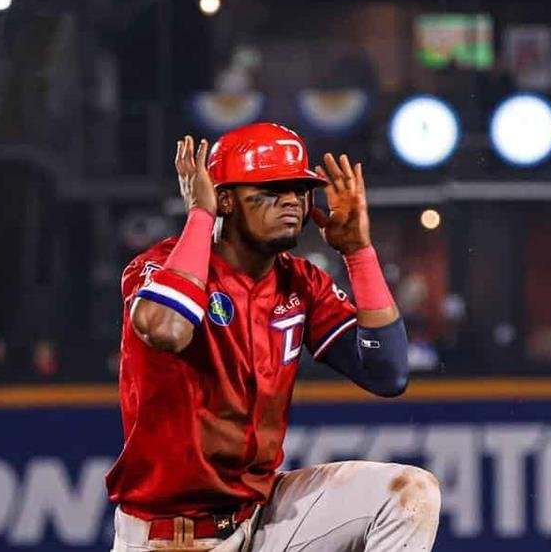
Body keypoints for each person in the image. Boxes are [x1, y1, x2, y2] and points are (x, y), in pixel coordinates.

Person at [109, 123, 440, 552]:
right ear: (224, 199)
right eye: (269, 191)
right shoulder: (158, 268)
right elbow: (169, 330)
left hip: (262, 518)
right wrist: (200, 215)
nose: (291, 202)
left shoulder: (300, 281)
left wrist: (358, 252)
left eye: (299, 190)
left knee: (408, 495)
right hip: (170, 535)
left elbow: (387, 373)